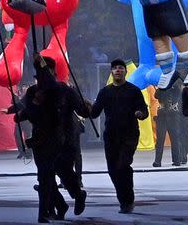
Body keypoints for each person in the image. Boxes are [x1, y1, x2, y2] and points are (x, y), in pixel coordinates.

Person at [12, 55, 87, 223]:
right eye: (38, 75)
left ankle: (77, 194)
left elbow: (81, 109)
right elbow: (27, 110)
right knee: (45, 177)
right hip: (42, 139)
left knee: (65, 173)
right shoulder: (33, 92)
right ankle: (54, 208)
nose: (40, 78)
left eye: (44, 73)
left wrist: (87, 108)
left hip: (64, 139)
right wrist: (20, 113)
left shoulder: (62, 89)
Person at [89, 59, 148, 214]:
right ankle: (124, 200)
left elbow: (144, 109)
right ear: (111, 71)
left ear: (125, 71)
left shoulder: (133, 90)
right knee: (113, 170)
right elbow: (94, 113)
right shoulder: (105, 92)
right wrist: (86, 106)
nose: (118, 70)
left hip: (129, 135)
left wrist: (140, 113)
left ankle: (128, 201)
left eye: (121, 68)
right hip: (111, 136)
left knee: (123, 165)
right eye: (115, 68)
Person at [153, 71, 184, 167]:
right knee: (160, 139)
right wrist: (162, 86)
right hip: (162, 114)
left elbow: (177, 95)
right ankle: (158, 161)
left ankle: (177, 160)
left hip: (173, 114)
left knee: (175, 138)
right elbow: (156, 95)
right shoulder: (161, 87)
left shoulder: (176, 86)